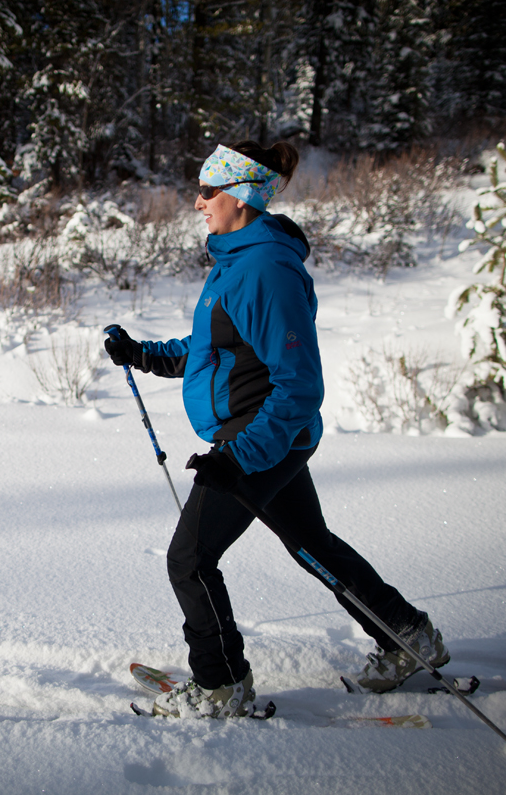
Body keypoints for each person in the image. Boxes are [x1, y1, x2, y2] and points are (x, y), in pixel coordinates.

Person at [104, 141, 448, 718]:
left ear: (240, 195)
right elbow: (213, 348)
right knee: (314, 546)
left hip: (263, 435)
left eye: (208, 190)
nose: (198, 201)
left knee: (189, 559)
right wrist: (143, 354)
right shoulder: (237, 261)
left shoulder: (265, 268)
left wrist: (241, 456)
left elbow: (298, 385)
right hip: (260, 433)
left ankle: (221, 685)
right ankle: (408, 635)